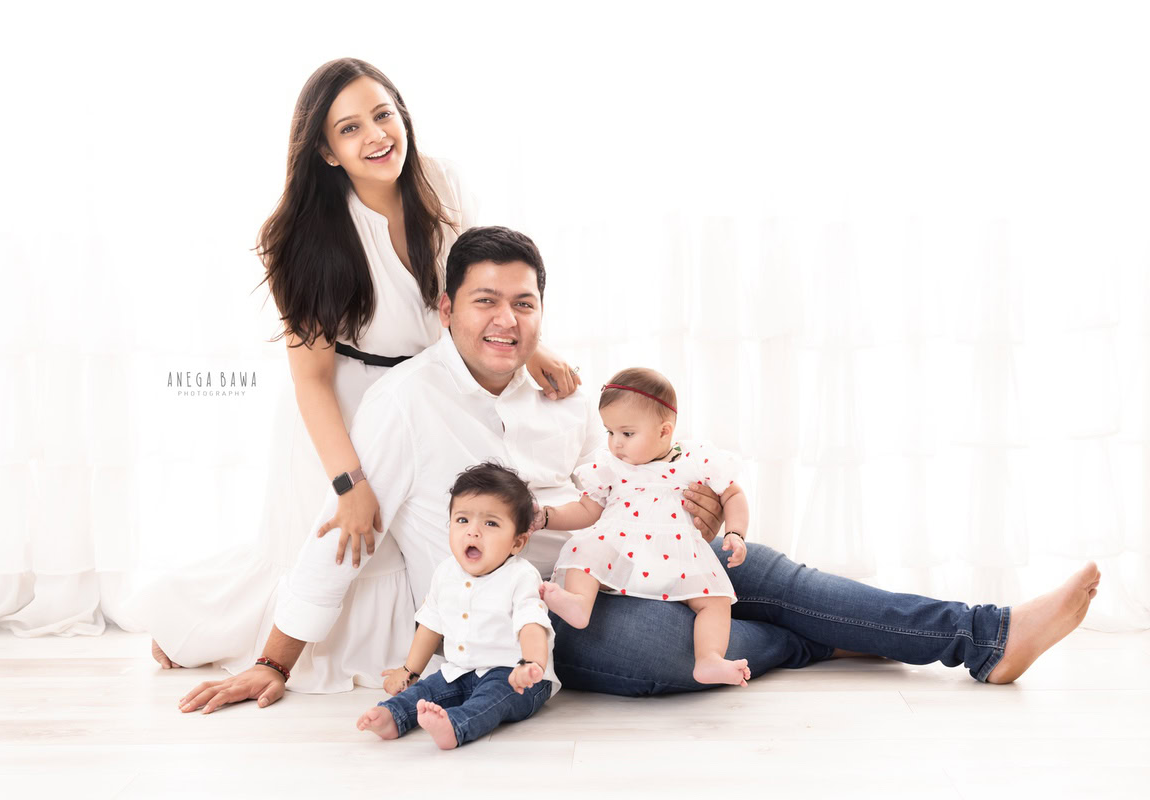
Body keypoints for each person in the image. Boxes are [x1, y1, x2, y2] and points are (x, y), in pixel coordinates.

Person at [178, 225, 1101, 714]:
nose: (507, 320)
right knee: (666, 661)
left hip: (630, 561)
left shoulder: (561, 392)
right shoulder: (406, 403)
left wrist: (689, 512)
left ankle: (986, 635)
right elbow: (342, 538)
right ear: (445, 305)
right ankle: (835, 637)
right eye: (486, 302)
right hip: (533, 614)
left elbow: (610, 489)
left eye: (525, 304)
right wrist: (272, 660)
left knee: (762, 570)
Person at [132, 58, 580, 693]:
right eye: (350, 128)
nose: (375, 136)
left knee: (443, 540)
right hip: (346, 399)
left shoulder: (438, 182)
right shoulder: (303, 236)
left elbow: (481, 283)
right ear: (326, 149)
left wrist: (532, 352)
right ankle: (205, 631)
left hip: (435, 383)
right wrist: (350, 481)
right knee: (348, 542)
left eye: (383, 115)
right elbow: (311, 379)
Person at [533, 367, 752, 687]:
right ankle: (580, 604)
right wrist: (547, 516)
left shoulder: (695, 459)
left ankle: (709, 659)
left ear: (665, 431)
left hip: (676, 555)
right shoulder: (609, 466)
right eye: (609, 432)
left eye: (626, 433)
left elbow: (732, 494)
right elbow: (585, 510)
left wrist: (734, 533)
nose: (615, 443)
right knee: (586, 549)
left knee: (716, 600)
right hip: (620, 553)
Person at [355, 463, 557, 749]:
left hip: (514, 675)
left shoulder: (520, 576)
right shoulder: (445, 573)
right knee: (429, 688)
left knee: (493, 698)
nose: (472, 533)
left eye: (490, 523)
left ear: (517, 542)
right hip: (459, 670)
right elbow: (430, 625)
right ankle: (393, 715)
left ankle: (456, 725)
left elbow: (531, 625)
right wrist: (409, 671)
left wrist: (531, 663)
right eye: (462, 520)